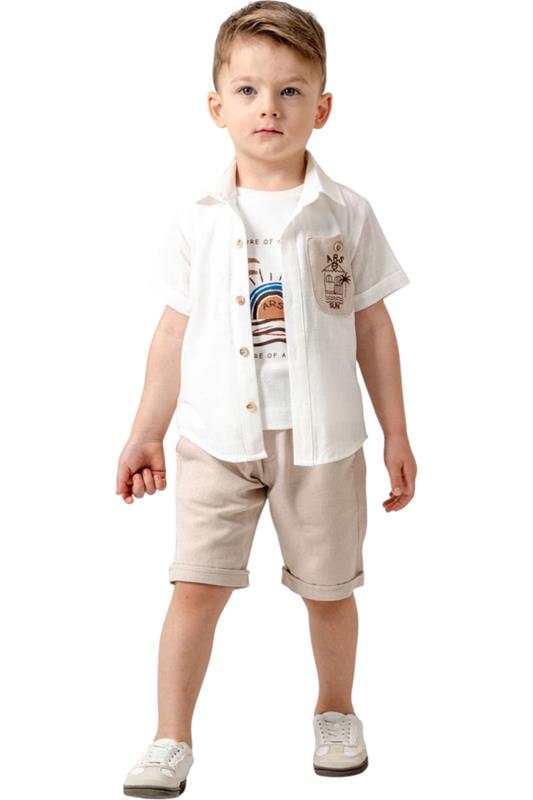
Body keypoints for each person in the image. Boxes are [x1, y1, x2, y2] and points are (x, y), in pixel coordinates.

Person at [119, 1, 417, 796]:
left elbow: (372, 326)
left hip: (322, 441)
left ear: (322, 106)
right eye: (248, 90)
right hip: (216, 438)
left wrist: (396, 432)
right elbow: (172, 332)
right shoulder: (195, 219)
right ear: (216, 105)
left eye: (290, 91)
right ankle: (170, 736)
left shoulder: (345, 213)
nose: (269, 108)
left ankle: (336, 710)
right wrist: (145, 431)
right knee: (195, 586)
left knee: (329, 589)